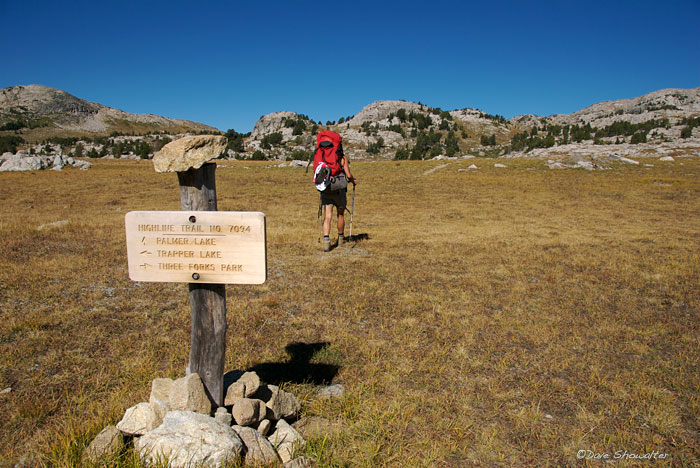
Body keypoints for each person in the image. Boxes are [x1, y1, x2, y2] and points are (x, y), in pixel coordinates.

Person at [320, 139, 357, 252]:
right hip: (340, 190)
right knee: (340, 214)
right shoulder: (342, 158)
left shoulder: (323, 157)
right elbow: (348, 175)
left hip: (327, 189)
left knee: (327, 216)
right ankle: (340, 239)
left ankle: (326, 242)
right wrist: (353, 180)